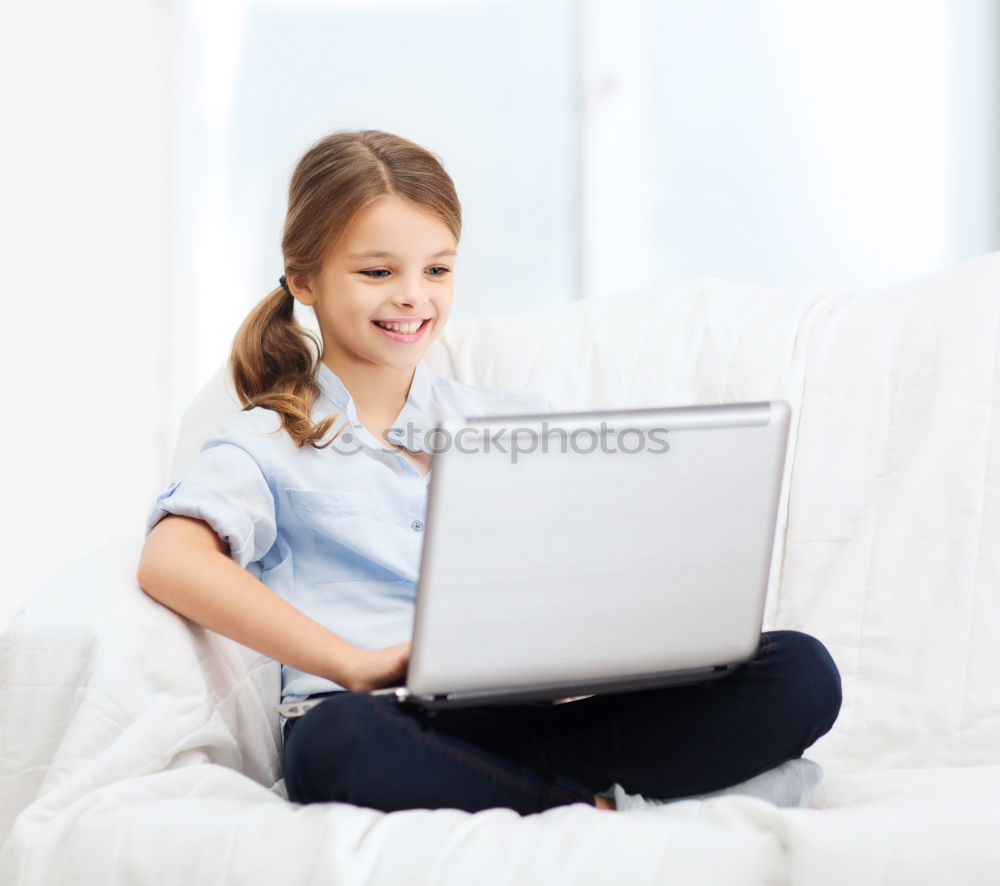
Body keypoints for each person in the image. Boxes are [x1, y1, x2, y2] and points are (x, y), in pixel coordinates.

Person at [136, 128, 843, 816]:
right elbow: (171, 561)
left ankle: (520, 791)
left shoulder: (511, 422)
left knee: (802, 672)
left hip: (534, 713)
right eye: (378, 271)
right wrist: (351, 664)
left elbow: (577, 570)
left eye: (437, 269)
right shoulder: (264, 438)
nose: (414, 295)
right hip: (385, 720)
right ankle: (592, 807)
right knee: (333, 744)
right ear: (306, 281)